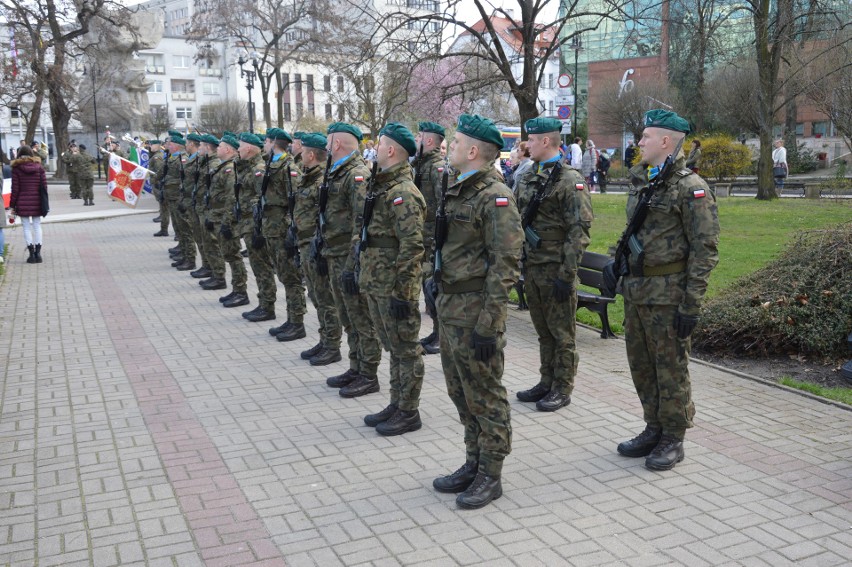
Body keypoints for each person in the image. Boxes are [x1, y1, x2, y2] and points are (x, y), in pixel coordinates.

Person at [615, 109, 720, 471]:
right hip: (637, 291)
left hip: (668, 295)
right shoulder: (647, 181)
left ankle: (674, 436)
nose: (639, 142)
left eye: (645, 137)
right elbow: (635, 232)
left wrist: (691, 305)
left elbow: (705, 250)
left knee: (670, 368)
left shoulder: (691, 188)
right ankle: (653, 425)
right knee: (641, 365)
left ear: (665, 142)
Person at [431, 114, 523, 509]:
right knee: (460, 391)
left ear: (472, 151)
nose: (449, 147)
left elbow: (506, 264)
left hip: (475, 314)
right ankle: (473, 460)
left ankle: (492, 472)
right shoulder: (458, 189)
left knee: (485, 393)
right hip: (452, 308)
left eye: (455, 143)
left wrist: (490, 324)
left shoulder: (494, 196)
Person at [515, 117, 593, 413]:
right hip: (533, 266)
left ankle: (562, 387)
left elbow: (579, 231)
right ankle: (546, 380)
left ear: (546, 141)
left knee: (562, 334)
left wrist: (567, 274)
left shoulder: (570, 180)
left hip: (556, 269)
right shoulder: (530, 176)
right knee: (544, 331)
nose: (527, 144)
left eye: (532, 140)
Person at [358, 123, 426, 436]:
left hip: (394, 286)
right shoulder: (383, 186)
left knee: (405, 348)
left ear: (390, 150)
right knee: (393, 346)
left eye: (379, 143)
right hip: (378, 280)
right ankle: (397, 403)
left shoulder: (402, 193)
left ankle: (408, 411)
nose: (374, 149)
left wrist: (404, 293)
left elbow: (412, 247)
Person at [321, 122, 381, 398]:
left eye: (327, 140)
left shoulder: (356, 174)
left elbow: (362, 220)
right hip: (335, 252)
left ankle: (368, 373)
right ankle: (355, 367)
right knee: (347, 316)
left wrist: (353, 262)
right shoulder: (336, 170)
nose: (324, 145)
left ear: (336, 144)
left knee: (360, 318)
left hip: (348, 255)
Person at [289, 133, 344, 366]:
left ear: (311, 154)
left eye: (303, 151)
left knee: (325, 298)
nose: (300, 153)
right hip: (306, 245)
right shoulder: (307, 177)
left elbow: (327, 219)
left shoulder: (321, 180)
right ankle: (324, 340)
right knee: (316, 295)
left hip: (316, 246)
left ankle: (332, 346)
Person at [259, 128, 309, 329]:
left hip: (283, 229)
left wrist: (291, 232)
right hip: (272, 227)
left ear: (273, 143)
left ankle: (297, 322)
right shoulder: (272, 164)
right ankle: (291, 319)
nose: (264, 145)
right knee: (283, 275)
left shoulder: (289, 168)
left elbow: (295, 201)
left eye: (266, 142)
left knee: (291, 277)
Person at [233, 132, 277, 319]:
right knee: (257, 266)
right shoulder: (247, 167)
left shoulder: (258, 169)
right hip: (248, 224)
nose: (238, 149)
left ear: (249, 148)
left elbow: (263, 199)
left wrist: (259, 230)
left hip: (255, 226)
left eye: (241, 146)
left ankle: (267, 306)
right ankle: (263, 303)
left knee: (262, 267)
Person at [413, 121, 446, 355]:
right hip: (424, 238)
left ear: (429, 141)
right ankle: (436, 333)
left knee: (434, 288)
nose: (416, 140)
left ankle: (441, 335)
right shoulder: (423, 165)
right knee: (428, 287)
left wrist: (437, 240)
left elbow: (443, 206)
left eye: (419, 136)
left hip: (433, 239)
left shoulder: (437, 167)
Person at [209, 134, 249, 306]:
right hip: (220, 218)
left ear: (228, 150)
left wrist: (226, 222)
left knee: (234, 255)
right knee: (229, 255)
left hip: (228, 220)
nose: (217, 148)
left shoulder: (230, 169)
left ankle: (241, 292)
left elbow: (232, 198)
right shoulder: (224, 167)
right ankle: (236, 290)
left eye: (220, 146)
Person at [9, 146, 48, 264]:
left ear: (19, 155)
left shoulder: (16, 169)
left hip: (22, 201)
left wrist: (12, 205)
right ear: (32, 154)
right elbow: (44, 187)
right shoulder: (39, 167)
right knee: (37, 226)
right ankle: (38, 254)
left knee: (26, 227)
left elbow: (15, 189)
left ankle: (31, 255)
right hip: (37, 201)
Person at [150, 139, 170, 237]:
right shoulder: (156, 155)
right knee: (163, 207)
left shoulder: (157, 157)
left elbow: (158, 171)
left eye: (152, 145)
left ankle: (164, 229)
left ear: (157, 146)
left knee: (164, 208)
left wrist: (157, 182)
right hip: (159, 184)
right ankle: (163, 229)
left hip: (159, 184)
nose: (150, 146)